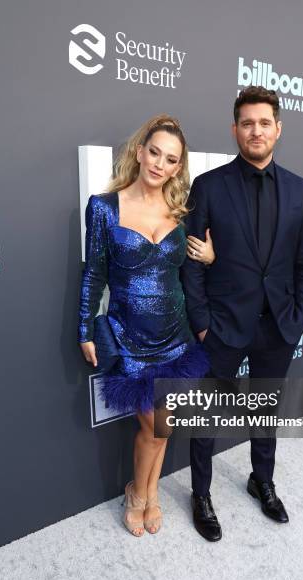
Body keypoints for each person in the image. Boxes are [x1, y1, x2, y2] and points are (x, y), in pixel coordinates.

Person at [181, 86, 303, 542]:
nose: (255, 131)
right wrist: (201, 322)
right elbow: (192, 261)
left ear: (278, 128)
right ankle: (201, 494)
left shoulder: (300, 190)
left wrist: (300, 316)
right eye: (246, 123)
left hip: (278, 324)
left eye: (264, 123)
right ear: (234, 129)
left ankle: (263, 479)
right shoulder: (209, 186)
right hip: (221, 324)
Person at [78, 115, 214, 537]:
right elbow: (93, 275)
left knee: (163, 424)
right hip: (129, 336)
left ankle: (147, 493)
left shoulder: (180, 211)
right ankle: (138, 492)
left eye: (170, 159)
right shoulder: (103, 208)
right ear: (139, 152)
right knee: (151, 424)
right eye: (154, 152)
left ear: (177, 168)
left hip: (175, 335)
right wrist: (84, 328)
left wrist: (210, 258)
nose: (159, 164)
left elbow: (193, 270)